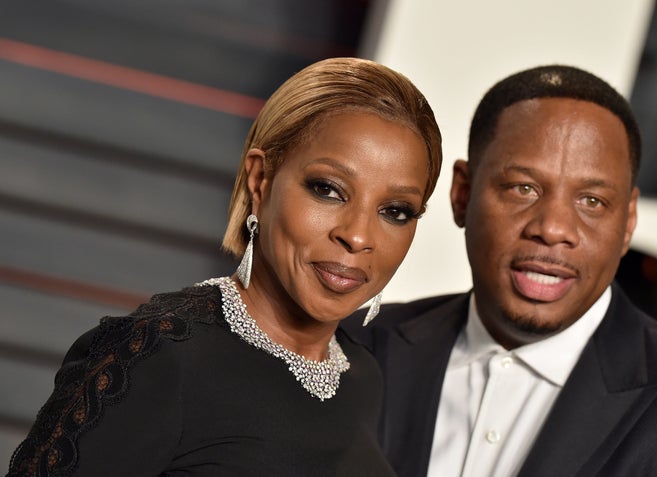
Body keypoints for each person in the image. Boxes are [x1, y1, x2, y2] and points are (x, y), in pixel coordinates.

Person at [7, 57, 443, 477]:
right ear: (260, 180)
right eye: (327, 190)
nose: (359, 235)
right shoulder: (160, 357)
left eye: (396, 211)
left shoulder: (363, 378)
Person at [343, 65, 657, 477]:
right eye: (523, 188)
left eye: (592, 201)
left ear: (627, 221)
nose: (553, 229)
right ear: (462, 193)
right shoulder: (352, 349)